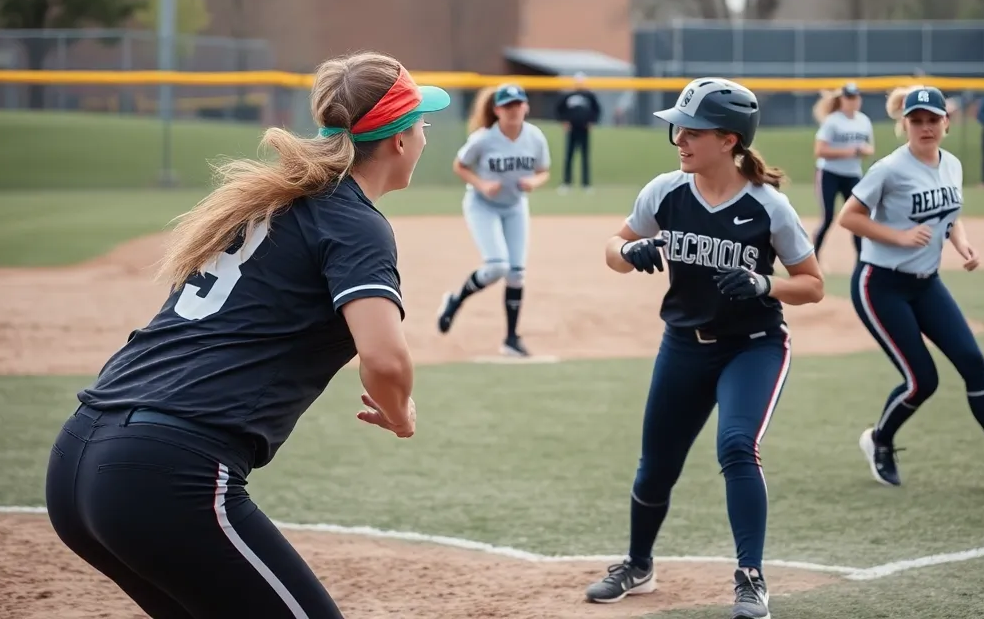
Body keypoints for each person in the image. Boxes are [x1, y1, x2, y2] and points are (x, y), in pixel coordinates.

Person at [43, 52, 452, 619]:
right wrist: (401, 412)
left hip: (78, 461)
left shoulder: (271, 203)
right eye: (422, 125)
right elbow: (383, 359)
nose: (426, 136)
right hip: (165, 472)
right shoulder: (354, 221)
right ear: (400, 140)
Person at [584, 78, 824, 618]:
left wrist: (766, 284)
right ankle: (638, 565)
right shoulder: (666, 191)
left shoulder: (768, 207)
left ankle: (750, 578)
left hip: (754, 347)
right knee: (656, 467)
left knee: (737, 446)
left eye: (693, 131)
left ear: (730, 140)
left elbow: (812, 283)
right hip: (684, 345)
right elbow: (611, 249)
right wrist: (632, 250)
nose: (681, 140)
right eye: (679, 130)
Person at [837, 85, 984, 494]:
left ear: (946, 123)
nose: (925, 127)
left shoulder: (951, 164)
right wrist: (897, 238)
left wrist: (960, 242)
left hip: (927, 284)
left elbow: (948, 214)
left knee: (973, 362)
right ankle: (879, 440)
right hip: (879, 285)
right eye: (916, 120)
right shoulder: (888, 168)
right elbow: (849, 217)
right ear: (904, 125)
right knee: (922, 380)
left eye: (932, 119)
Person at [437, 83, 551, 357]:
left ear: (526, 107)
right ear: (497, 110)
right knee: (498, 266)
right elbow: (460, 165)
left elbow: (543, 170)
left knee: (516, 273)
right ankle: (455, 301)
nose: (513, 110)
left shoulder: (535, 137)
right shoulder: (484, 138)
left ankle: (511, 339)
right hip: (482, 206)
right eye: (507, 105)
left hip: (514, 206)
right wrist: (481, 184)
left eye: (518, 104)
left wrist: (533, 182)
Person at [810, 81, 874, 260]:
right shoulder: (833, 121)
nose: (852, 101)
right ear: (842, 99)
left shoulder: (864, 121)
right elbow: (820, 151)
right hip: (829, 173)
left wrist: (864, 150)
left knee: (857, 217)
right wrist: (851, 151)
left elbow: (869, 148)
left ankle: (862, 259)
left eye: (855, 97)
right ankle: (814, 256)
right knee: (828, 217)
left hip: (853, 175)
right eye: (849, 98)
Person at [555, 71, 602, 193]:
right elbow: (559, 109)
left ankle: (586, 184)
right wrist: (564, 121)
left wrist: (592, 121)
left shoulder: (589, 96)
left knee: (585, 157)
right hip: (572, 129)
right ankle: (566, 183)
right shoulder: (568, 95)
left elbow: (597, 110)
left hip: (584, 129)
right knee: (569, 156)